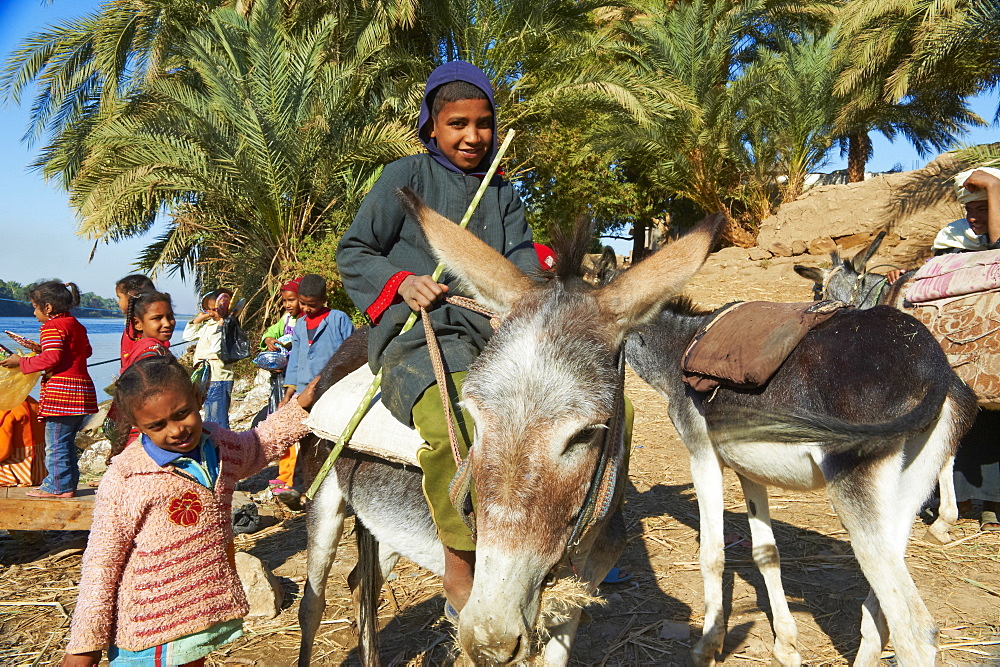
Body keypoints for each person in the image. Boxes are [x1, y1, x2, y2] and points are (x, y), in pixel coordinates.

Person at [337, 61, 538, 615]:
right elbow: (354, 251)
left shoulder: (502, 192)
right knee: (457, 422)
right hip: (418, 336)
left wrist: (530, 297)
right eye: (457, 124)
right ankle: (462, 557)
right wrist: (401, 284)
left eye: (483, 123)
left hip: (492, 333)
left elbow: (521, 260)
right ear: (431, 126)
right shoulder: (404, 177)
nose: (473, 136)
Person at [60, 355, 319, 666]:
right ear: (137, 426)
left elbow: (257, 445)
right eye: (157, 426)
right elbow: (102, 562)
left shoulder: (220, 445)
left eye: (182, 414)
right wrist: (85, 645)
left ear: (198, 398)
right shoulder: (127, 477)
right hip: (152, 624)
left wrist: (301, 407)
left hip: (201, 612)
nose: (176, 430)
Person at [0, 281, 98, 498]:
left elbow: (52, 358)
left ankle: (55, 487)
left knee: (55, 444)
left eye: (35, 307)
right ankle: (67, 486)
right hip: (82, 393)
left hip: (61, 395)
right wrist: (41, 350)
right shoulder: (76, 325)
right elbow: (85, 351)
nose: (34, 313)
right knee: (66, 443)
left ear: (48, 308)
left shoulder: (51, 327)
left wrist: (21, 362)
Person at [276, 274, 353, 508]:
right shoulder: (299, 325)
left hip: (333, 391)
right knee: (304, 440)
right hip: (304, 393)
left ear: (324, 300)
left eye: (313, 304)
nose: (307, 309)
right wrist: (289, 393)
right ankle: (301, 488)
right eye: (303, 303)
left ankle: (336, 489)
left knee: (331, 439)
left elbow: (352, 352)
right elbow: (296, 360)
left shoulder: (338, 319)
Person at [258, 278, 302, 501]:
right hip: (282, 379)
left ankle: (291, 477)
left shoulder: (304, 322)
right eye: (285, 301)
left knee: (294, 432)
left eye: (291, 300)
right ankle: (285, 475)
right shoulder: (286, 319)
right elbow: (270, 332)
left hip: (298, 381)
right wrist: (268, 338)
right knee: (285, 429)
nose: (287, 304)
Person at [183, 289, 236, 429]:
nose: (211, 313)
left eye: (214, 310)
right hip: (206, 376)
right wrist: (198, 320)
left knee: (218, 417)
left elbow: (217, 348)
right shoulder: (210, 325)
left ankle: (225, 446)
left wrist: (220, 328)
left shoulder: (227, 325)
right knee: (208, 415)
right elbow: (188, 336)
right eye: (208, 310)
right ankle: (214, 445)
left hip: (218, 376)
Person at [0, 397, 46, 487]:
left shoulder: (5, 409)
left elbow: (3, 451)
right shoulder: (33, 402)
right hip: (40, 471)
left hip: (15, 472)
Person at [114, 274, 156, 363]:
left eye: (119, 297)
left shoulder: (148, 325)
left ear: (132, 296)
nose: (118, 302)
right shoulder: (131, 324)